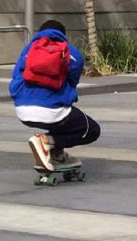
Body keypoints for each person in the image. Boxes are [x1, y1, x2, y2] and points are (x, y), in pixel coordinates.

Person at [9, 19, 100, 171]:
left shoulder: (28, 50)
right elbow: (72, 83)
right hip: (52, 111)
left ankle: (56, 154)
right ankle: (46, 141)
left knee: (63, 120)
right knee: (91, 130)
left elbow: (16, 78)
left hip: (23, 111)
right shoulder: (72, 53)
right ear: (63, 35)